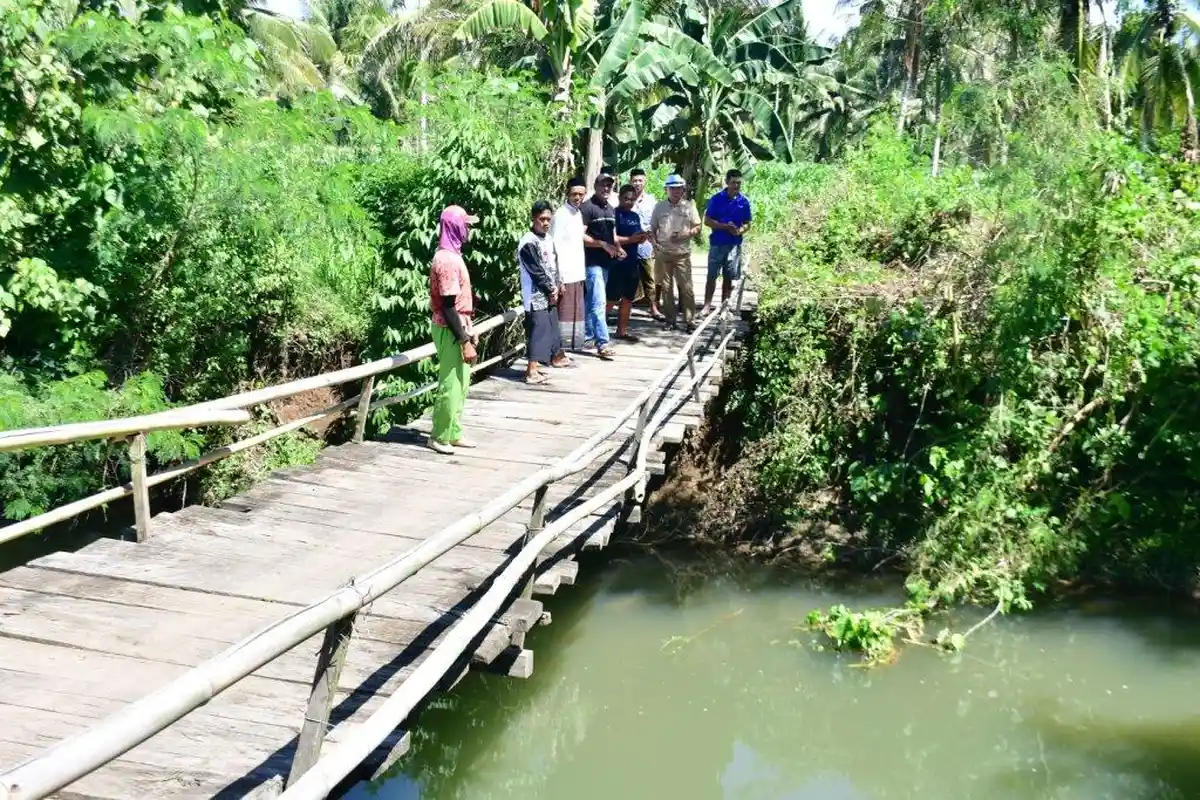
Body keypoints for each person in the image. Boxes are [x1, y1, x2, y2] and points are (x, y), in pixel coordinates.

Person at [428, 205, 479, 455]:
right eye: (465, 224)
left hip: (459, 324)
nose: (468, 228)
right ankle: (439, 435)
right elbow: (448, 307)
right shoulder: (446, 260)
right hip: (448, 327)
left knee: (462, 383)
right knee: (450, 383)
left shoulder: (454, 255)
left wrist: (469, 329)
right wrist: (464, 340)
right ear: (454, 226)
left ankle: (454, 431)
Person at [518, 200, 570, 385]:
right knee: (538, 330)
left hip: (550, 292)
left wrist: (558, 283)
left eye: (549, 219)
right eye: (542, 219)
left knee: (550, 327)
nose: (546, 223)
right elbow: (536, 270)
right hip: (535, 295)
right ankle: (531, 371)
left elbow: (553, 264)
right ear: (534, 219)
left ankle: (553, 358)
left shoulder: (548, 239)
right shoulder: (528, 242)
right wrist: (550, 288)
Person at [650, 174, 702, 331]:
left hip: (682, 254)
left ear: (683, 189)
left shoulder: (689, 206)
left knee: (687, 288)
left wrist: (685, 235)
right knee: (666, 288)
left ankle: (689, 321)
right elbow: (652, 229)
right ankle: (670, 320)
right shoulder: (659, 207)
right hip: (663, 254)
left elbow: (698, 227)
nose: (676, 191)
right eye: (672, 188)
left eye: (679, 188)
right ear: (667, 189)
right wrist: (654, 244)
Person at [580, 174, 622, 359]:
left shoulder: (611, 209)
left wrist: (618, 248)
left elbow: (613, 235)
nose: (606, 189)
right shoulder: (587, 208)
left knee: (592, 302)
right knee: (599, 302)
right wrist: (602, 244)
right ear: (595, 186)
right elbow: (580, 236)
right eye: (603, 185)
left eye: (609, 186)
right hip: (591, 263)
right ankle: (603, 343)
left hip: (606, 263)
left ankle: (587, 339)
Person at [703, 168, 752, 313]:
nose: (736, 186)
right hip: (717, 243)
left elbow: (747, 223)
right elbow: (707, 220)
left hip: (734, 244)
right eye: (733, 183)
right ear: (727, 182)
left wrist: (740, 230)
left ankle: (724, 306)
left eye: (738, 183)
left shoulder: (744, 202)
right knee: (712, 275)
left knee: (728, 276)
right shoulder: (716, 199)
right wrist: (724, 226)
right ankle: (706, 305)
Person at [551, 177, 588, 352]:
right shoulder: (560, 214)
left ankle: (568, 351)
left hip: (577, 272)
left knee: (575, 315)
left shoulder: (578, 213)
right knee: (562, 315)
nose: (578, 198)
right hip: (565, 274)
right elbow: (555, 246)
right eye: (574, 194)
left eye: (581, 194)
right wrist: (559, 278)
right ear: (567, 193)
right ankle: (558, 352)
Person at [609, 184, 647, 342]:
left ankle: (622, 331)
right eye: (626, 198)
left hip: (632, 262)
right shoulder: (613, 215)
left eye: (632, 199)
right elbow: (611, 238)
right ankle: (597, 332)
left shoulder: (635, 216)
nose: (629, 202)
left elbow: (636, 236)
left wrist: (643, 237)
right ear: (619, 198)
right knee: (610, 299)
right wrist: (630, 240)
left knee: (628, 298)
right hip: (616, 263)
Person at [629, 168, 660, 320]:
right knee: (628, 277)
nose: (637, 183)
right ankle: (627, 308)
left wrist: (655, 243)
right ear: (630, 182)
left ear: (645, 181)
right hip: (629, 244)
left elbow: (655, 223)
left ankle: (654, 308)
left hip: (646, 244)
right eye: (635, 181)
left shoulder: (651, 201)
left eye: (640, 180)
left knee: (650, 277)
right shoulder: (626, 199)